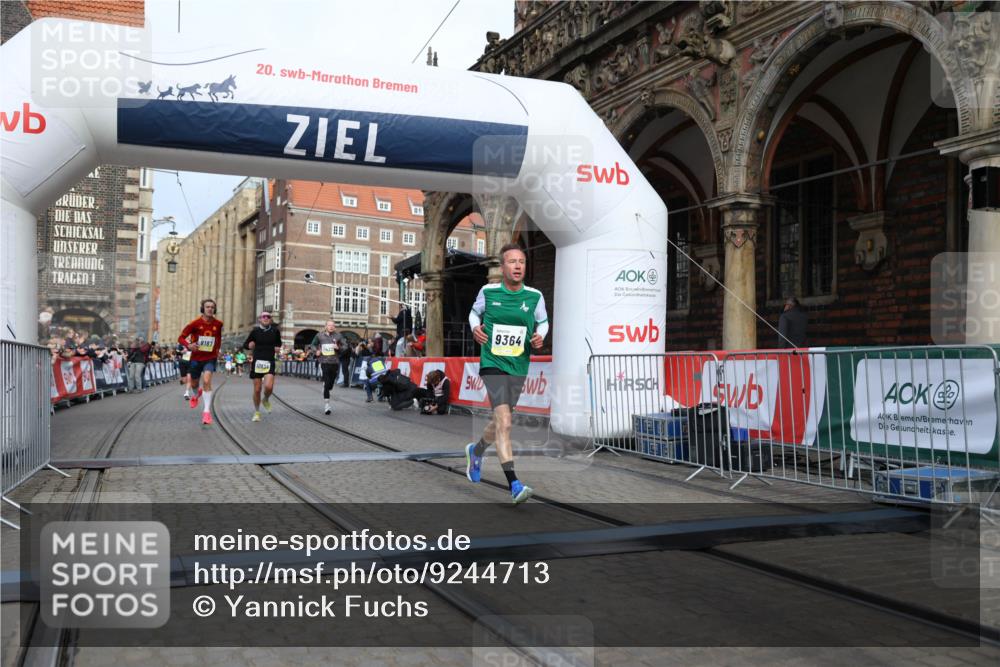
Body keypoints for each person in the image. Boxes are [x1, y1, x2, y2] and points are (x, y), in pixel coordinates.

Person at [465, 243, 548, 504]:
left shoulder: (535, 296)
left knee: (501, 421)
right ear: (502, 267)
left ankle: (476, 450)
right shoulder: (488, 291)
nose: (517, 266)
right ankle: (514, 484)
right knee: (506, 422)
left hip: (518, 365)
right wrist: (475, 328)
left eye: (521, 262)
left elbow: (543, 322)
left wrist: (539, 337)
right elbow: (473, 313)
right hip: (492, 363)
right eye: (512, 261)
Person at [178, 298, 224, 426]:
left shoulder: (219, 324)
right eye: (207, 307)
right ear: (203, 309)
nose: (210, 309)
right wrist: (189, 345)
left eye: (212, 307)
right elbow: (181, 338)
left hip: (210, 358)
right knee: (194, 383)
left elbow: (218, 339)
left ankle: (206, 412)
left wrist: (217, 351)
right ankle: (196, 394)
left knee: (207, 381)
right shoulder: (194, 323)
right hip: (196, 358)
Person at [243, 311, 282, 422]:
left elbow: (279, 343)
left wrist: (277, 348)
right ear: (259, 319)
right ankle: (257, 412)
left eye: (268, 317)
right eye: (263, 317)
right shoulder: (255, 332)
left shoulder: (275, 331)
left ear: (270, 319)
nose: (265, 318)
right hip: (257, 362)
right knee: (257, 389)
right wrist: (249, 345)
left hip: (269, 361)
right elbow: (245, 344)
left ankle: (265, 399)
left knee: (269, 387)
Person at [310, 320, 344, 415]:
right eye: (329, 325)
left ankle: (327, 386)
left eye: (333, 325)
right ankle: (327, 405)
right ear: (325, 326)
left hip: (334, 362)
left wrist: (338, 348)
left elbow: (345, 346)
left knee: (330, 384)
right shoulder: (319, 335)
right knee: (326, 383)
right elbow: (312, 345)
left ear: (335, 327)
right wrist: (316, 351)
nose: (331, 327)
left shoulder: (338, 336)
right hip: (323, 362)